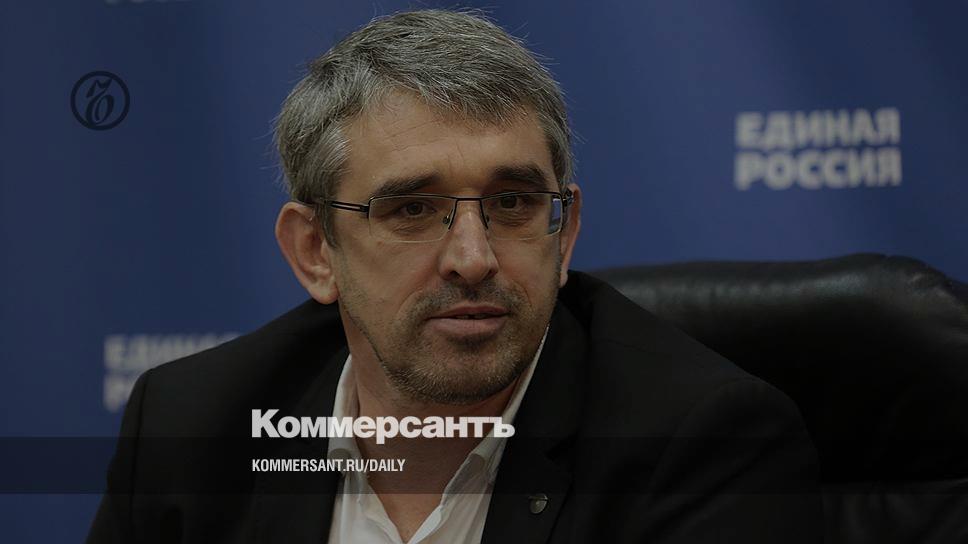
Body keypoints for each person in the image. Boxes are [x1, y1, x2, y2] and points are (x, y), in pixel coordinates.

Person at [88, 9, 822, 544]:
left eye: (512, 203)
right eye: (412, 209)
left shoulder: (702, 445)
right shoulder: (194, 427)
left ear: (564, 232)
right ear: (315, 251)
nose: (473, 258)